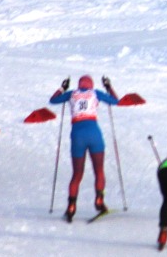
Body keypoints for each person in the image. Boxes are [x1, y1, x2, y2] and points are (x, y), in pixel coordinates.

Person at [49, 74, 120, 221]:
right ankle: (99, 199)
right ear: (91, 85)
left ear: (79, 84)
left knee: (77, 174)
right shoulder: (95, 93)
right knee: (99, 170)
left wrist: (62, 88)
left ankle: (71, 206)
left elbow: (53, 100)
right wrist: (108, 87)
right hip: (94, 133)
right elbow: (116, 101)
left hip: (77, 135)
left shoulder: (71, 94)